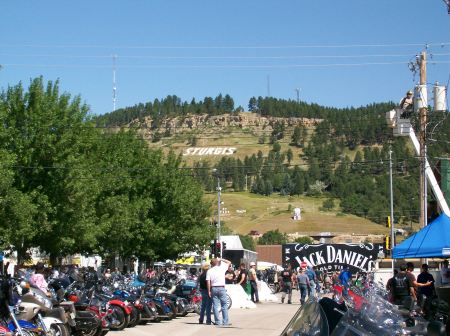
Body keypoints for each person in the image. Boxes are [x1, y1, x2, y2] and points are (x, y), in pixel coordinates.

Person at [206, 257, 232, 327]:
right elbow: (229, 262)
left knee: (215, 305)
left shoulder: (209, 271)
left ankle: (217, 321)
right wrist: (221, 259)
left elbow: (208, 282)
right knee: (224, 305)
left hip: (214, 288)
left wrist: (209, 291)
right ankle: (225, 321)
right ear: (217, 262)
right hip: (221, 287)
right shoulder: (222, 268)